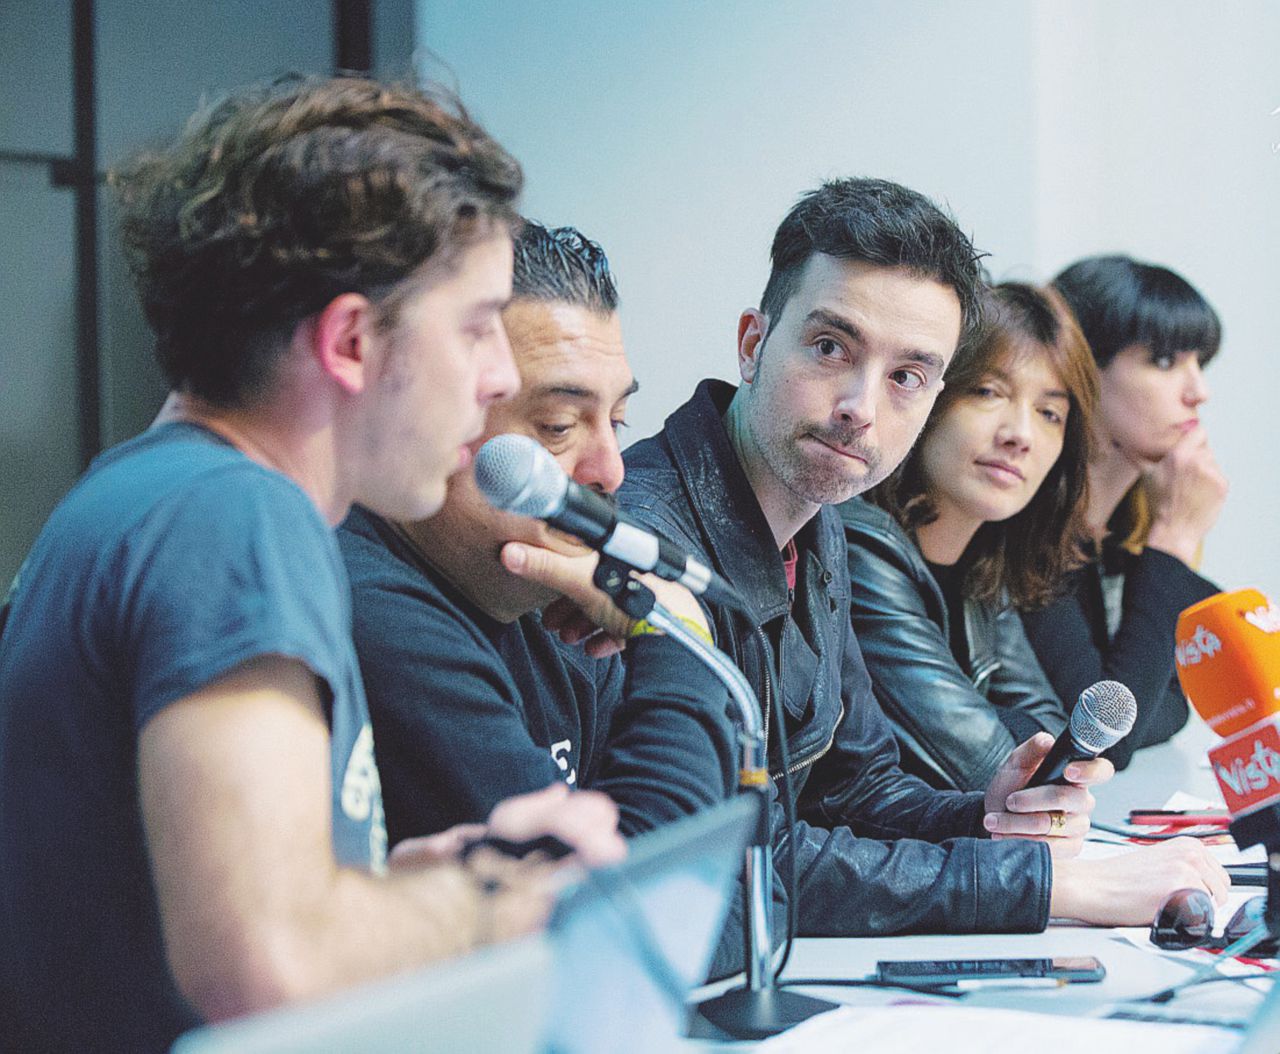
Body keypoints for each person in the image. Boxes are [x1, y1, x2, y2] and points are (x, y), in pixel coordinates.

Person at [0, 77, 623, 1054]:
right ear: (348, 340)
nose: (498, 374)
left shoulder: (150, 493)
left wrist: (409, 888)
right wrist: (495, 894)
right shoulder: (237, 519)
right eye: (474, 325)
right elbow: (266, 964)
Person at [614, 178, 1228, 941]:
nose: (861, 408)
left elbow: (856, 787)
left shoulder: (819, 519)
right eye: (830, 347)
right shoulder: (645, 537)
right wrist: (1047, 887)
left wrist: (984, 813)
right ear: (752, 343)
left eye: (906, 376)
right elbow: (724, 867)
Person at [338, 220, 735, 848]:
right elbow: (628, 912)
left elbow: (719, 884)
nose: (610, 471)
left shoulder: (552, 583)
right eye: (557, 426)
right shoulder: (372, 608)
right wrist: (677, 639)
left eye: (618, 421)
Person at [842, 282, 1097, 792]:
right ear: (929, 398)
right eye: (988, 392)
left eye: (1050, 413)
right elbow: (996, 771)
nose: (1020, 435)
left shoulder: (982, 562)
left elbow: (1055, 741)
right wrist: (1012, 728)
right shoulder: (858, 544)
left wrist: (1013, 727)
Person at [1021, 255, 1227, 768]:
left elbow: (1181, 699)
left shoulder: (1121, 530)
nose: (1198, 391)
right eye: (1163, 361)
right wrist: (1174, 538)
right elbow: (1105, 740)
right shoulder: (1023, 530)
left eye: (1199, 362)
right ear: (1081, 369)